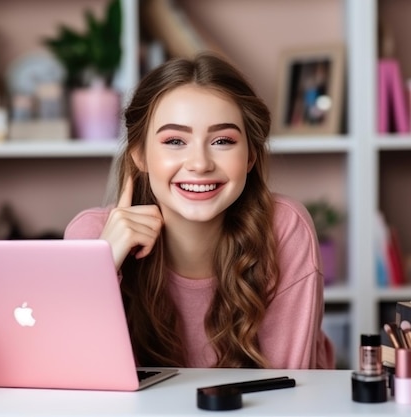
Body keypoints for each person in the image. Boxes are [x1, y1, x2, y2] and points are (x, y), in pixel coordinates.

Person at [64, 52, 335, 369]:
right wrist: (103, 263)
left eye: (222, 141)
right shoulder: (91, 237)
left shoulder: (284, 228)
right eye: (175, 141)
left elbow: (287, 388)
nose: (200, 164)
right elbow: (74, 377)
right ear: (140, 155)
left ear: (249, 157)